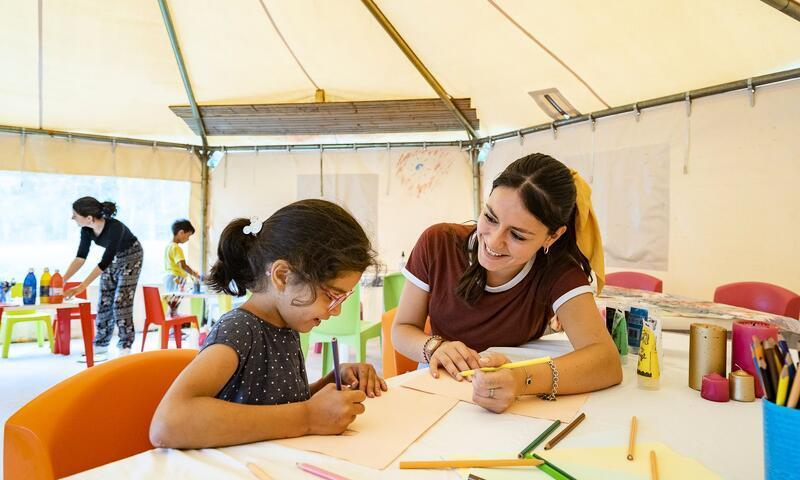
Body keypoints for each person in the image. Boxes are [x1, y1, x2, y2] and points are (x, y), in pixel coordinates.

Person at [393, 153, 622, 413]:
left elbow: (605, 362)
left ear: (553, 236)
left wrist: (521, 380)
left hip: (511, 406)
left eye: (517, 235)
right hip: (438, 389)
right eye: (490, 218)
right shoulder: (438, 242)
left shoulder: (558, 271)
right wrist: (434, 347)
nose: (492, 242)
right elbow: (402, 329)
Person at [150, 199, 387, 448]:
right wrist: (308, 416)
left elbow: (277, 404)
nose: (337, 310)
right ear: (282, 276)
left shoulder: (286, 327)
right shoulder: (240, 330)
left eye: (343, 298)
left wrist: (329, 383)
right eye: (331, 295)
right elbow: (168, 423)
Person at [63, 197, 143, 357]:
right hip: (114, 258)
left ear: (89, 218)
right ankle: (100, 344)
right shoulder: (86, 230)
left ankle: (125, 346)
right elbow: (80, 258)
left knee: (121, 301)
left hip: (132, 256)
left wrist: (81, 287)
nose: (72, 218)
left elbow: (104, 261)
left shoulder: (115, 228)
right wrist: (62, 280)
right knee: (104, 300)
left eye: (75, 214)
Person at [164, 219, 200, 293]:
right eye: (188, 236)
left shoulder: (169, 246)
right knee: (175, 301)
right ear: (181, 232)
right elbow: (183, 266)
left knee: (171, 302)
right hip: (176, 279)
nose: (188, 239)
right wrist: (195, 274)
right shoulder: (176, 248)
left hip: (169, 278)